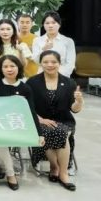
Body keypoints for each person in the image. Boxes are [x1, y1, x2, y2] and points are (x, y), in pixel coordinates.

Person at [0, 54, 44, 191]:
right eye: (5, 66)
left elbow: (31, 111)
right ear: (1, 69)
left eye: (12, 66)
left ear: (18, 68)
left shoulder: (25, 88)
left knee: (0, 144)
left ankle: (11, 175)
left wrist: (39, 134)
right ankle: (7, 165)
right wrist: (11, 100)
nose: (9, 69)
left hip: (13, 125)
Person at [27, 50, 83, 191]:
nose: (50, 65)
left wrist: (79, 102)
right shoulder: (32, 82)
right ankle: (54, 167)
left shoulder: (69, 82)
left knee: (61, 131)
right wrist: (40, 119)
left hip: (64, 120)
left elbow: (74, 109)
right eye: (46, 62)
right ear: (41, 63)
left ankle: (62, 173)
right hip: (40, 120)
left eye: (53, 62)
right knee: (49, 131)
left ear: (59, 63)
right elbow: (27, 105)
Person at [31, 11, 76, 77]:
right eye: (47, 23)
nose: (50, 26)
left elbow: (70, 64)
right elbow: (36, 61)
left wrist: (59, 76)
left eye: (53, 23)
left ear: (59, 24)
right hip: (42, 76)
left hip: (62, 76)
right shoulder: (37, 40)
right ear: (43, 25)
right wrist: (44, 49)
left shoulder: (68, 41)